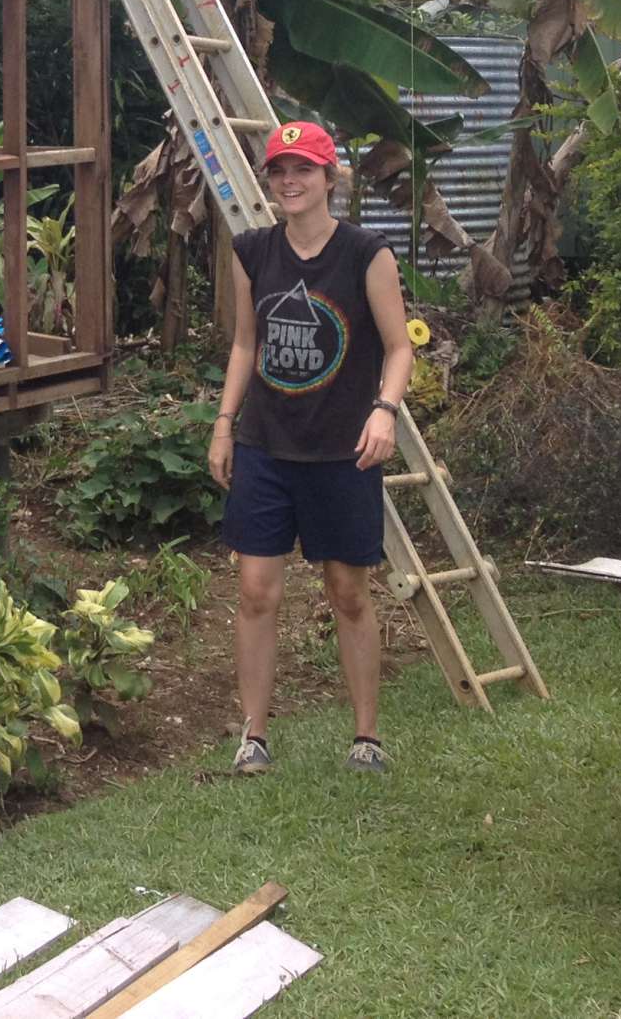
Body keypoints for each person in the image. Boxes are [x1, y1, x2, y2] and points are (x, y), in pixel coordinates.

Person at [207, 120, 414, 776]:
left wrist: (385, 411)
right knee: (256, 589)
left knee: (348, 590)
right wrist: (223, 422)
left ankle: (367, 737)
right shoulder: (252, 252)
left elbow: (400, 345)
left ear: (331, 178)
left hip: (342, 448)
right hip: (267, 445)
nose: (289, 180)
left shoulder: (365, 253)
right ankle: (255, 736)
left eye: (303, 169)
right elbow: (247, 343)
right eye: (279, 170)